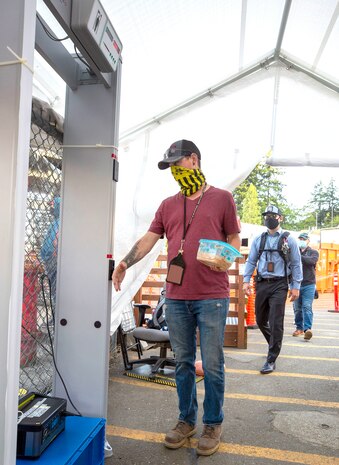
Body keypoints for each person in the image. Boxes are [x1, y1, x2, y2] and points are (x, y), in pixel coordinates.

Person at [112, 139, 241, 456]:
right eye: (169, 166)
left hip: (212, 295)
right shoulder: (168, 205)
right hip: (177, 297)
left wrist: (228, 256)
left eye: (176, 163)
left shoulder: (222, 198)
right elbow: (149, 238)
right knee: (182, 363)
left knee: (212, 364)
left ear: (194, 160)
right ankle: (186, 420)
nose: (173, 171)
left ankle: (213, 422)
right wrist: (126, 262)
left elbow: (234, 237)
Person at [242, 205, 302, 374]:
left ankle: (271, 358)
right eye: (267, 215)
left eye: (273, 215)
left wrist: (296, 286)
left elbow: (296, 263)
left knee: (276, 321)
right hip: (261, 283)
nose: (269, 218)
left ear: (280, 218)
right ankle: (273, 344)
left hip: (279, 284)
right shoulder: (258, 239)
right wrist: (246, 281)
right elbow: (251, 261)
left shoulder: (288, 239)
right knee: (261, 320)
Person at [292, 232, 319, 340]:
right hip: (296, 284)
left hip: (309, 284)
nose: (301, 241)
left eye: (303, 239)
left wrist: (298, 256)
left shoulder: (313, 252)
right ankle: (299, 328)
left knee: (306, 306)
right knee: (297, 308)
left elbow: (311, 261)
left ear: (308, 241)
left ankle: (307, 329)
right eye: (300, 239)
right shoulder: (294, 251)